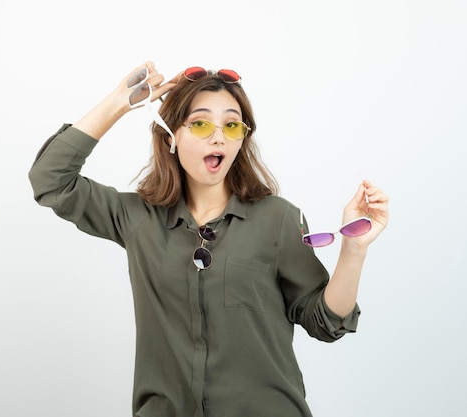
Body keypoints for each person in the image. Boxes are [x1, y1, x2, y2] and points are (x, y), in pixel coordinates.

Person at [28, 61, 389, 417]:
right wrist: (120, 102)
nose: (218, 136)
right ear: (171, 135)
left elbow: (324, 321)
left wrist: (354, 250)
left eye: (231, 125)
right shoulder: (137, 218)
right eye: (200, 123)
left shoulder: (278, 218)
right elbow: (50, 180)